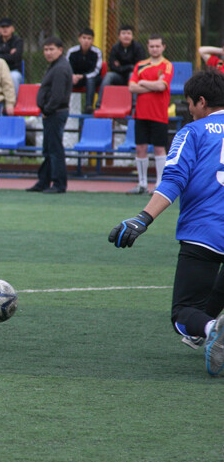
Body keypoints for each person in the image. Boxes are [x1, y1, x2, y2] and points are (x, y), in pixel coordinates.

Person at [108, 69, 224, 376]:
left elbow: (173, 179)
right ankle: (207, 327)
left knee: (183, 313)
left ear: (202, 102)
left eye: (190, 103)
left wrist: (142, 219)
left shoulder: (192, 132)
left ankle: (211, 329)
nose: (189, 110)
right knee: (214, 296)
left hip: (205, 231)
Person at [126, 34, 173, 195]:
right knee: (140, 148)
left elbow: (162, 86)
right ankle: (142, 184)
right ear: (147, 47)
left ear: (163, 47)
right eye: (152, 46)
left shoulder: (167, 65)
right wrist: (152, 85)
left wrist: (143, 82)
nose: (154, 49)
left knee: (159, 148)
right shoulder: (140, 65)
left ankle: (159, 185)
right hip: (141, 114)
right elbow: (132, 87)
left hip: (159, 114)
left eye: (157, 46)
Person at [27, 36, 73, 194]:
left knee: (54, 149)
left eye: (51, 49)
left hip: (55, 113)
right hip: (53, 112)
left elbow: (57, 95)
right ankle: (44, 181)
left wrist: (47, 110)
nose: (48, 52)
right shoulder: (56, 66)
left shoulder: (60, 68)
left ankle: (59, 184)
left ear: (60, 50)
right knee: (49, 149)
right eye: (46, 49)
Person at [95, 24, 146, 109]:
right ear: (119, 36)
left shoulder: (138, 48)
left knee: (131, 75)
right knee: (108, 75)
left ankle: (134, 106)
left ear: (132, 36)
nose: (126, 36)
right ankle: (99, 105)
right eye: (123, 33)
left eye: (129, 33)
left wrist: (121, 67)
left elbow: (139, 67)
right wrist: (130, 67)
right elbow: (112, 67)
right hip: (119, 77)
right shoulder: (115, 48)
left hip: (133, 77)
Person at [66, 28, 103, 113]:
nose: (86, 41)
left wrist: (83, 76)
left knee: (90, 80)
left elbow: (96, 70)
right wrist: (72, 76)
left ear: (92, 40)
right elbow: (66, 67)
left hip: (91, 79)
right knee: (63, 79)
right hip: (74, 78)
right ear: (79, 39)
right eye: (84, 38)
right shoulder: (71, 51)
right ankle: (61, 106)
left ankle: (88, 107)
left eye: (89, 38)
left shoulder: (97, 52)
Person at [0, 17, 24, 95]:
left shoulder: (18, 41)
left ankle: (13, 101)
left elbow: (16, 58)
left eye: (7, 27)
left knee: (13, 77)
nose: (5, 29)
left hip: (13, 70)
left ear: (13, 29)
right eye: (2, 27)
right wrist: (9, 55)